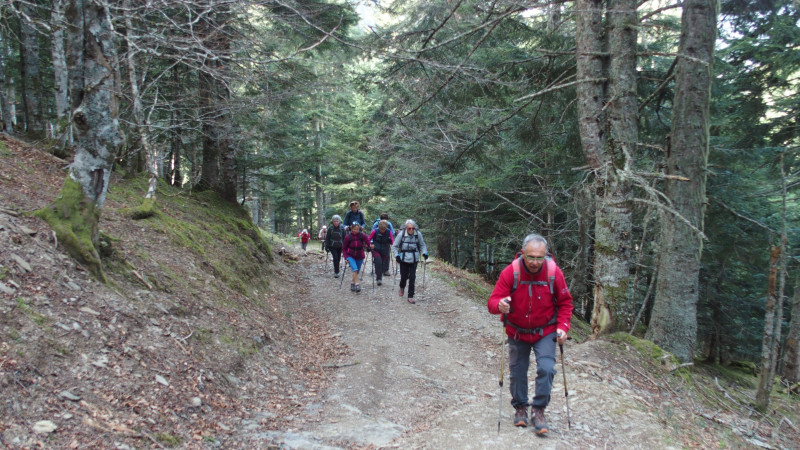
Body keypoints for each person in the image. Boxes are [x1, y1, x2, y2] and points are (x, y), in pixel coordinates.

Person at [486, 233, 573, 435]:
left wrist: (563, 327)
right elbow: (492, 302)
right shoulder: (511, 272)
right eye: (531, 257)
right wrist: (499, 305)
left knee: (547, 369)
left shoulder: (553, 272)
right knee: (518, 371)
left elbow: (565, 303)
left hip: (545, 330)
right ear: (523, 253)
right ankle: (520, 407)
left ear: (546, 255)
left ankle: (539, 410)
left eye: (539, 258)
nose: (535, 262)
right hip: (517, 330)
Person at [392, 219, 427, 304]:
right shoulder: (401, 234)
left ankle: (410, 296)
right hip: (403, 259)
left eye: (413, 228)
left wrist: (424, 253)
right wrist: (396, 255)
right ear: (406, 228)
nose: (411, 230)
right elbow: (395, 246)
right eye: (409, 228)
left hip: (414, 259)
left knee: (412, 277)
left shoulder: (418, 234)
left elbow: (422, 245)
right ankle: (402, 287)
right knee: (404, 276)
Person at [342, 222, 369, 292]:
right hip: (350, 255)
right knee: (355, 269)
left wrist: (370, 246)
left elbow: (367, 241)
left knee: (357, 271)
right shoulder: (348, 236)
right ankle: (357, 284)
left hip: (360, 255)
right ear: (352, 229)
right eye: (354, 229)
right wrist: (345, 257)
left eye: (357, 229)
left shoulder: (362, 235)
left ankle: (352, 283)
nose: (355, 231)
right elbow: (344, 248)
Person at [367, 220, 394, 286]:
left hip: (385, 250)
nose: (382, 231)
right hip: (376, 249)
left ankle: (378, 275)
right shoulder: (375, 231)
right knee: (378, 262)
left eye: (384, 229)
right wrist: (370, 245)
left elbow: (392, 242)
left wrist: (390, 240)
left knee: (382, 264)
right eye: (381, 229)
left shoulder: (389, 232)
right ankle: (379, 279)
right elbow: (368, 239)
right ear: (379, 227)